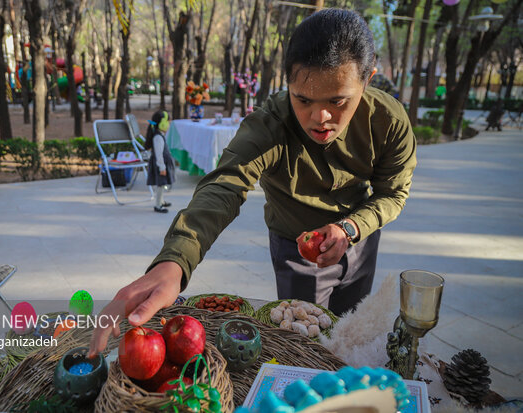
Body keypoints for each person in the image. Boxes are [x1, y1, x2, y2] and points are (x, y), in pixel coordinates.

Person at [89, 9, 416, 356]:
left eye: (337, 101)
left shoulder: (388, 120)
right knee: (304, 346)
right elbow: (223, 186)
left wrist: (351, 227)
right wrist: (174, 262)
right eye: (303, 99)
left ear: (367, 79)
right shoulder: (270, 125)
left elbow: (393, 193)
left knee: (354, 337)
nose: (320, 118)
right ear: (288, 80)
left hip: (360, 241)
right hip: (295, 247)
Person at [145, 110, 175, 213]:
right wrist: (162, 167)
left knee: (162, 184)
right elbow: (159, 154)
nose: (169, 124)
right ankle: (158, 205)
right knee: (160, 185)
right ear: (162, 123)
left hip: (162, 164)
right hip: (160, 165)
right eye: (168, 122)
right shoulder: (158, 137)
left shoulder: (159, 135)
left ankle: (161, 201)